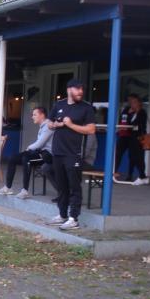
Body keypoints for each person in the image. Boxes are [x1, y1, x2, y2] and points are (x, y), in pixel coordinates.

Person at [46, 79, 96, 231]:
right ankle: (62, 215)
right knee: (62, 186)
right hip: (58, 151)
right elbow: (49, 121)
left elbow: (91, 130)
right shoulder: (59, 104)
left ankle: (74, 218)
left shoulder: (86, 108)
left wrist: (70, 125)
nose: (80, 91)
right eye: (77, 89)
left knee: (74, 186)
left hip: (74, 153)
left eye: (82, 89)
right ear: (69, 90)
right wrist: (53, 124)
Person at [0, 107, 54, 199]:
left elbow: (40, 143)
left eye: (34, 114)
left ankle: (25, 191)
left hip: (48, 155)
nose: (32, 117)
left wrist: (29, 148)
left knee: (26, 158)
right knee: (12, 157)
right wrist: (29, 149)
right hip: (40, 152)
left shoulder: (48, 126)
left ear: (42, 115)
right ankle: (8, 188)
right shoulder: (43, 126)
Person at [115, 93, 149, 185]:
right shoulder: (126, 109)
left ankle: (142, 176)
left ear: (138, 103)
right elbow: (123, 120)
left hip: (136, 137)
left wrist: (135, 113)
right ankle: (113, 173)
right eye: (129, 101)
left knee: (136, 156)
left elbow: (136, 125)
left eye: (133, 101)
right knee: (118, 153)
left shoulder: (142, 112)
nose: (131, 103)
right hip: (124, 135)